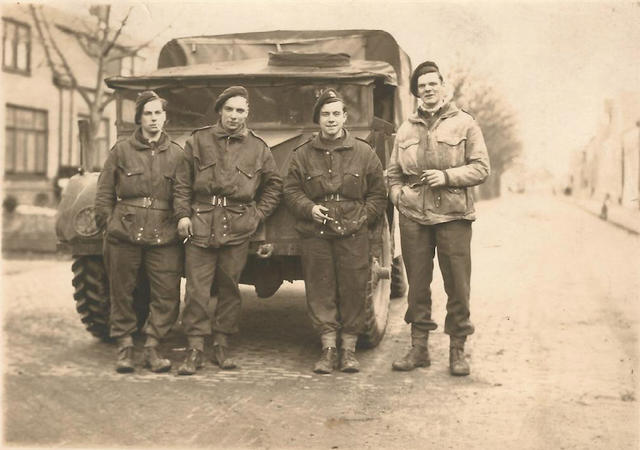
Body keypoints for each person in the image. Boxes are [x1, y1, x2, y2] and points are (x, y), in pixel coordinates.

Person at [387, 61, 490, 376]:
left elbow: (482, 168)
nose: (428, 90)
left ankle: (457, 351)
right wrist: (397, 196)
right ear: (416, 92)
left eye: (433, 84)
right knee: (417, 286)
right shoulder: (405, 128)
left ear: (443, 87)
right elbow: (392, 173)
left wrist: (447, 177)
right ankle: (419, 350)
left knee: (457, 285)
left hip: (453, 215)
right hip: (414, 217)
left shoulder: (465, 124)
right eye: (422, 86)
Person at [173, 86, 282, 375]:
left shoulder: (258, 147)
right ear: (220, 111)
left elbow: (274, 185)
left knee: (229, 287)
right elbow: (182, 183)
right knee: (196, 289)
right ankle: (195, 347)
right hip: (200, 222)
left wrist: (257, 214)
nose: (234, 116)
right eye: (230, 109)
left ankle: (221, 343)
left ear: (247, 113)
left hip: (237, 224)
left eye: (241, 110)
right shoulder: (198, 141)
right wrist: (183, 215)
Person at [284, 89, 386, 374]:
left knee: (354, 287)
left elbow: (379, 194)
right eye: (325, 114)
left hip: (354, 231)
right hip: (316, 232)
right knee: (320, 288)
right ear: (318, 119)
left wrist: (363, 217)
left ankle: (349, 351)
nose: (331, 119)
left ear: (345, 117)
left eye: (336, 114)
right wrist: (309, 209)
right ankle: (328, 349)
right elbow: (290, 191)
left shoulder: (364, 152)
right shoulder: (302, 154)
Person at [95, 90, 183, 374]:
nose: (154, 119)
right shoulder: (121, 150)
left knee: (167, 293)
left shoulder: (178, 154)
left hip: (164, 235)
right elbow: (104, 192)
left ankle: (152, 347)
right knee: (121, 291)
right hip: (124, 232)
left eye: (158, 113)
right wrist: (109, 224)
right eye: (148, 113)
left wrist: (182, 220)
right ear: (139, 118)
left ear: (165, 117)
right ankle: (124, 347)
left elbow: (182, 194)